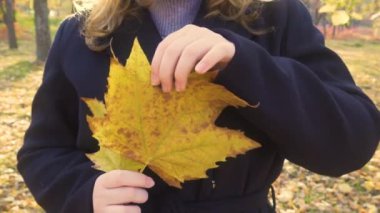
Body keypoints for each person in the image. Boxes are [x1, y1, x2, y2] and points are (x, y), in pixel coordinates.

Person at [17, 0, 380, 212]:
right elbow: (41, 151)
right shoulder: (80, 35)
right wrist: (80, 193)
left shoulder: (273, 17)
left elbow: (350, 143)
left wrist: (245, 64)